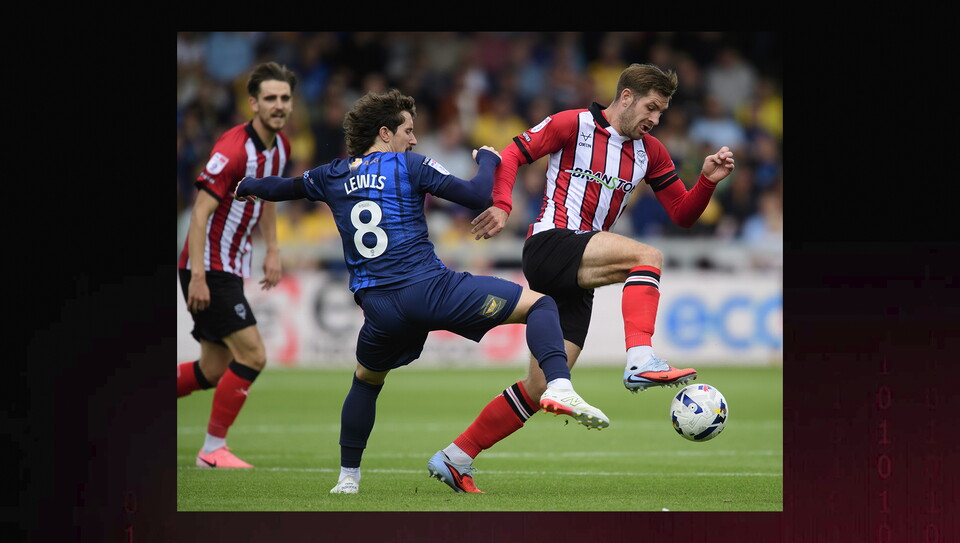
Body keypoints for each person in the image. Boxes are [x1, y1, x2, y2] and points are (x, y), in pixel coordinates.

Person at [233, 88, 609, 495]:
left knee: (365, 382)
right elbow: (477, 194)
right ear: (384, 132)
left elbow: (282, 187)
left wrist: (246, 184)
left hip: (379, 309)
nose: (413, 139)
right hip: (431, 290)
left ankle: (347, 478)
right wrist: (488, 159)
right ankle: (558, 385)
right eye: (408, 130)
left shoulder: (331, 174)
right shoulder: (408, 166)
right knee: (541, 306)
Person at [434, 63, 736, 492]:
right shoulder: (572, 124)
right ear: (626, 97)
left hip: (580, 270)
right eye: (652, 107)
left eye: (662, 112)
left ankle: (455, 456)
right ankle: (639, 359)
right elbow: (512, 153)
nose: (655, 118)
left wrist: (706, 181)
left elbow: (683, 214)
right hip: (551, 243)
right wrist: (502, 204)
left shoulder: (652, 151)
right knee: (646, 256)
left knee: (541, 388)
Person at [177, 61, 297, 469]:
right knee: (253, 355)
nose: (278, 105)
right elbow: (199, 214)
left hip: (231, 266)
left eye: (284, 98)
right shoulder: (231, 150)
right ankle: (212, 450)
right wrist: (197, 275)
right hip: (208, 266)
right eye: (270, 99)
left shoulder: (282, 148)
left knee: (212, 370)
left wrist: (274, 249)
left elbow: (265, 197)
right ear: (253, 103)